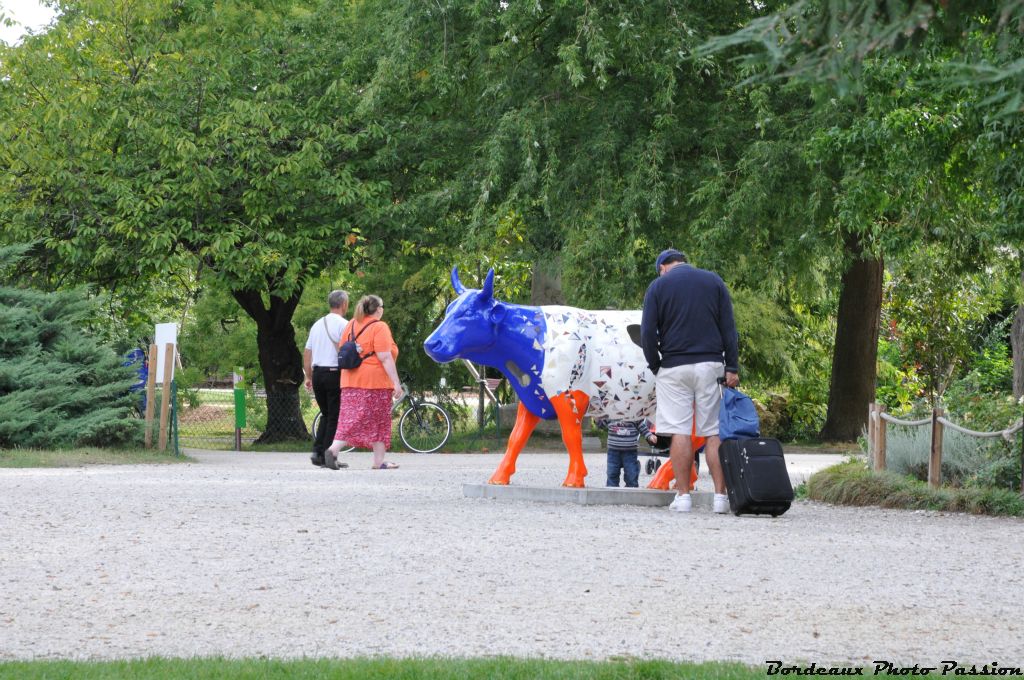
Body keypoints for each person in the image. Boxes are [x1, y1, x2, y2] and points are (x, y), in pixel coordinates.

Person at [640, 249, 740, 514]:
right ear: (683, 262)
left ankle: (683, 496)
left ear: (663, 267)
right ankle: (720, 497)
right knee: (713, 432)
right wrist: (732, 366)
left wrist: (655, 365)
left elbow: (647, 332)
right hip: (710, 364)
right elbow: (728, 327)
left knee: (680, 431)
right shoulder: (713, 281)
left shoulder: (658, 287)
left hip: (674, 366)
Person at [325, 295, 404, 470]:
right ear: (378, 309)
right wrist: (396, 383)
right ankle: (333, 449)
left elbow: (343, 348)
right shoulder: (379, 326)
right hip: (374, 383)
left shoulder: (351, 324)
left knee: (355, 418)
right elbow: (385, 357)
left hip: (349, 380)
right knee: (376, 420)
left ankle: (378, 461)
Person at [303, 290, 350, 468]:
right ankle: (328, 455)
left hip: (318, 374)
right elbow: (347, 351)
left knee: (326, 414)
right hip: (334, 373)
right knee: (334, 416)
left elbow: (307, 353)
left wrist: (308, 376)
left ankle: (317, 452)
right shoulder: (344, 324)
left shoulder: (316, 325)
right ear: (344, 304)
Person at [596, 417, 658, 488]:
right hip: (613, 450)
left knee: (631, 474)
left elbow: (641, 425)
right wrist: (596, 418)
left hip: (630, 451)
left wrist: (649, 436)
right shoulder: (611, 413)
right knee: (612, 473)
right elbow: (601, 425)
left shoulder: (633, 413)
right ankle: (612, 494)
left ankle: (632, 493)